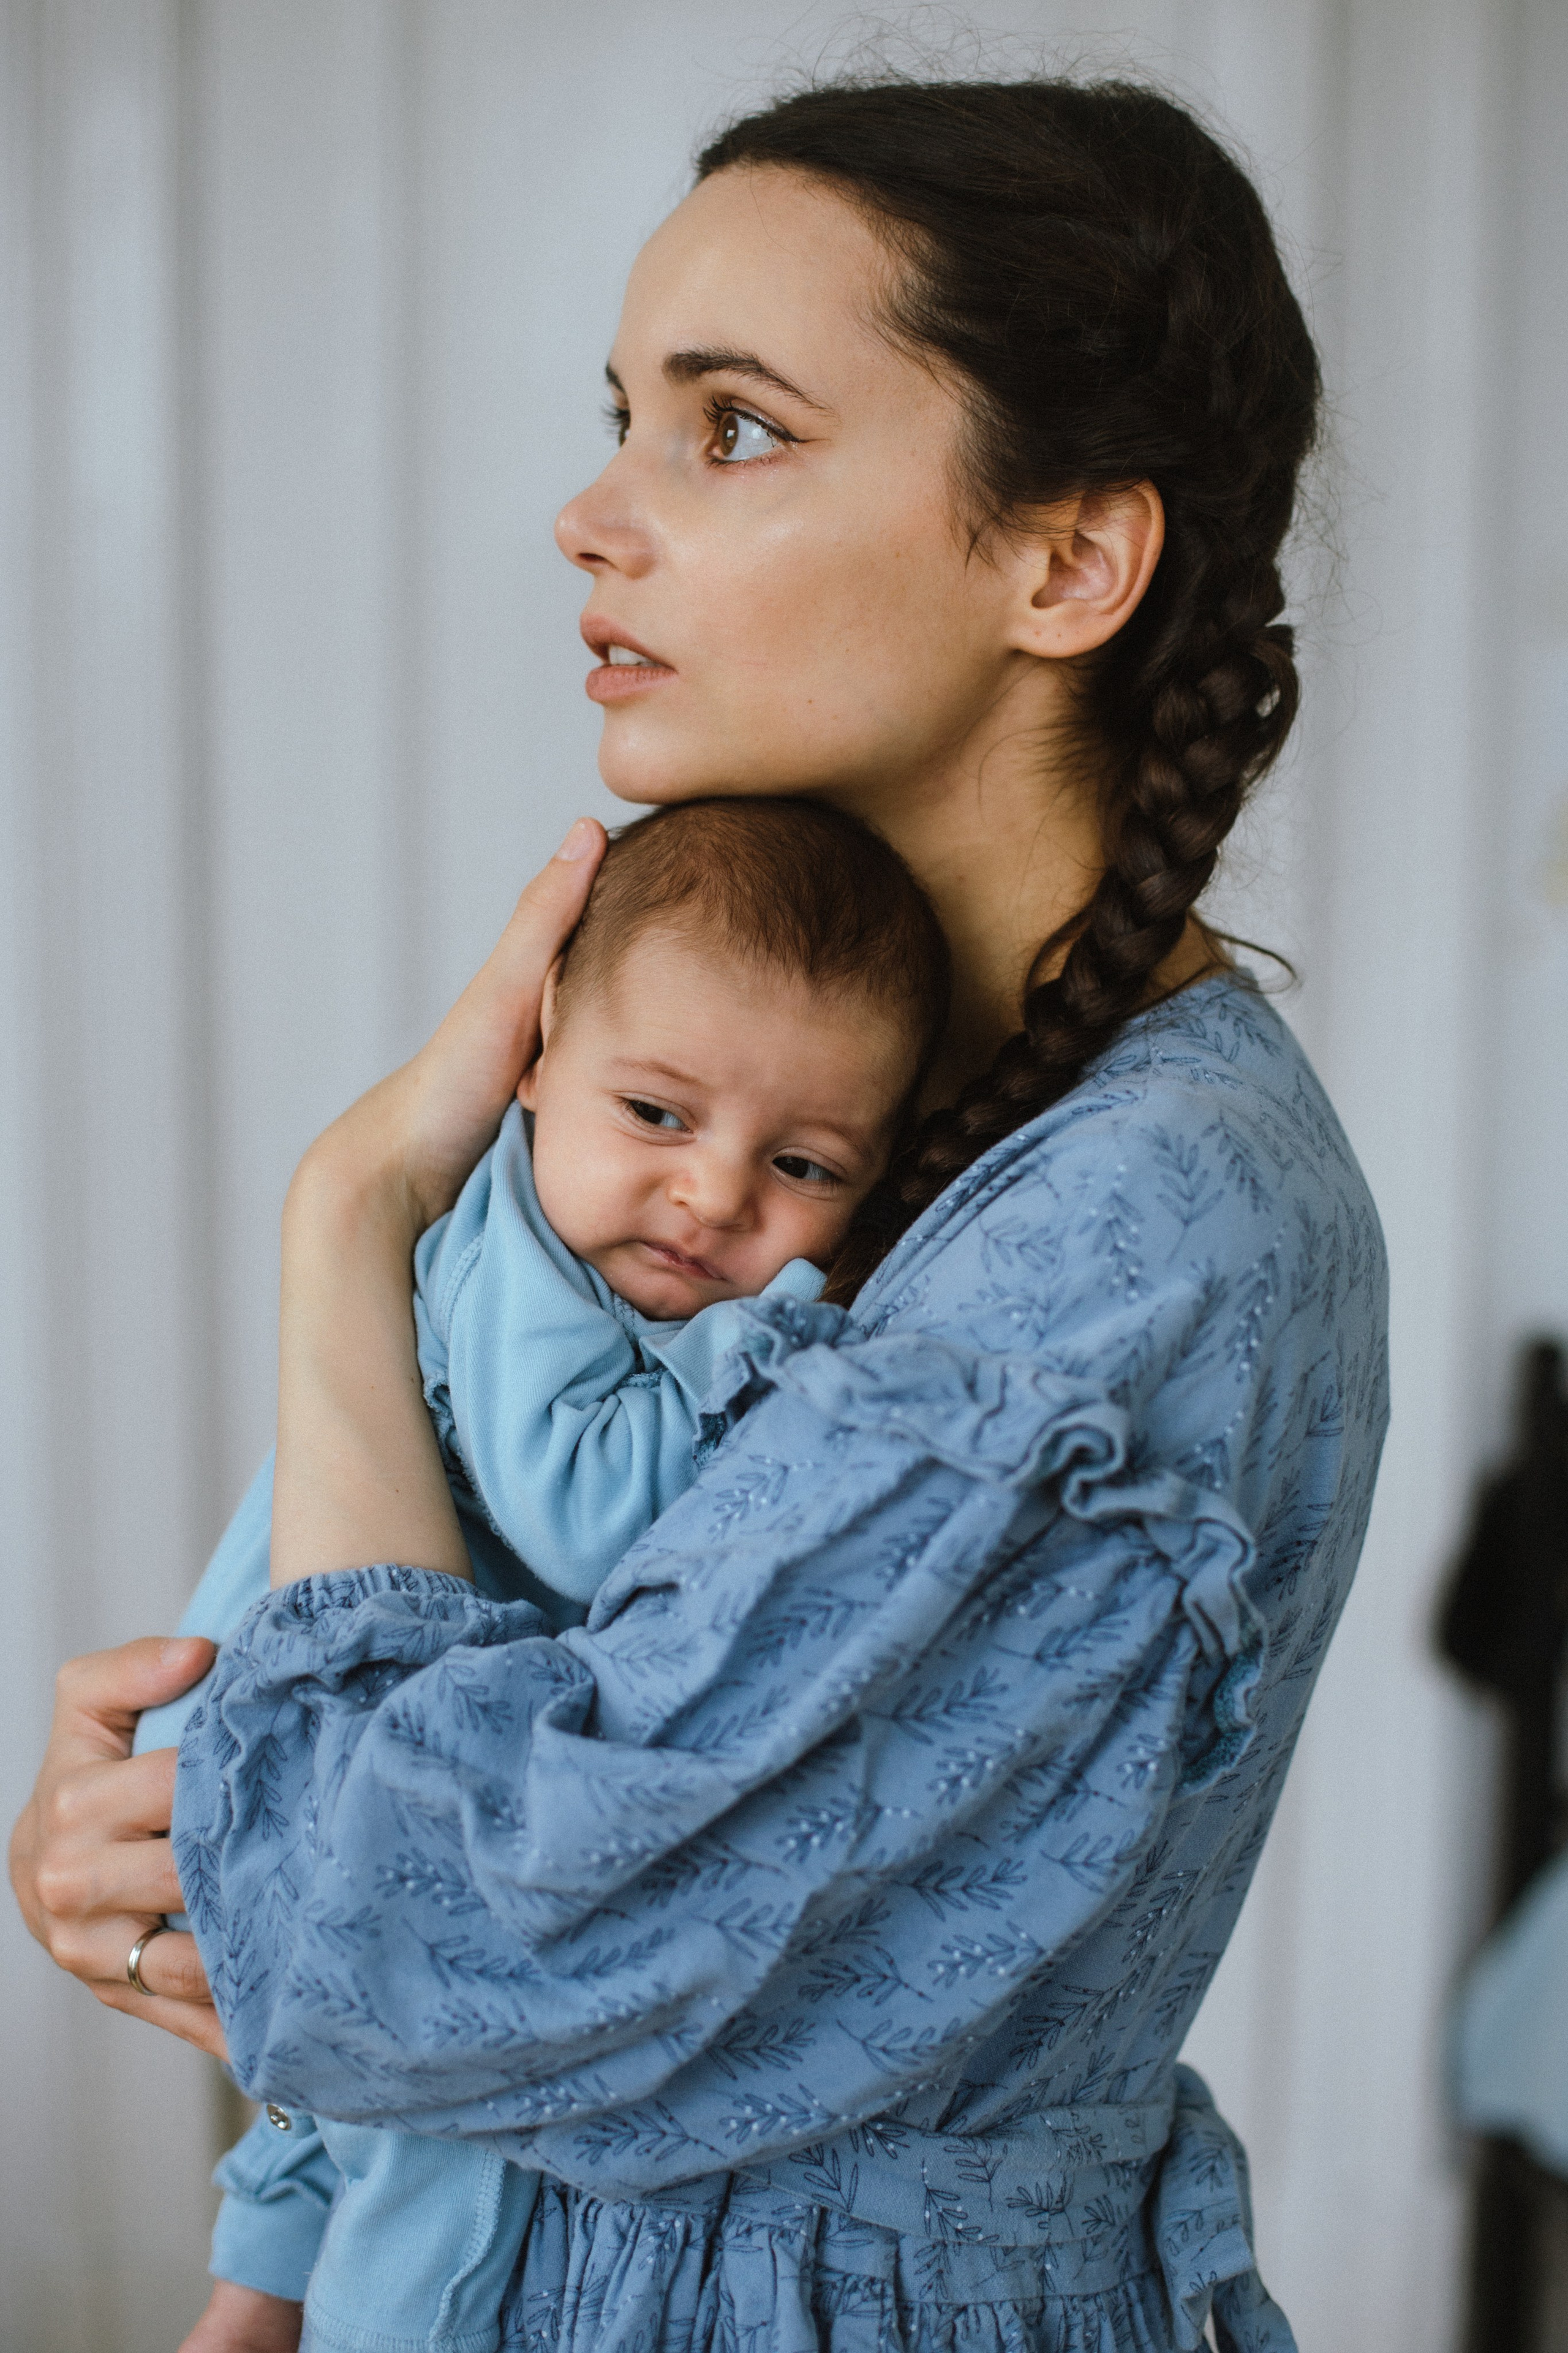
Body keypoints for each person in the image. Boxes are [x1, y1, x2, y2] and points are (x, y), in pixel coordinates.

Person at [10, 75, 1389, 2353]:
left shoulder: (1145, 1243)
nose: (590, 515)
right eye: (623, 417)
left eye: (730, 430)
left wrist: (349, 1216)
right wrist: (177, 1858)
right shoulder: (828, 1122)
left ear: (1068, 560)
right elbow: (386, 1874)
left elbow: (432, 1935)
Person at [130, 795, 951, 2352]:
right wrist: (776, 1346)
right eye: (655, 1114)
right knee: (441, 2150)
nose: (713, 1196)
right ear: (535, 1050)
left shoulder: (600, 1261)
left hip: (343, 1776)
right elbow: (578, 1512)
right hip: (298, 1757)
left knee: (358, 2111)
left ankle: (249, 2294)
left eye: (801, 1162)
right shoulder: (511, 1249)